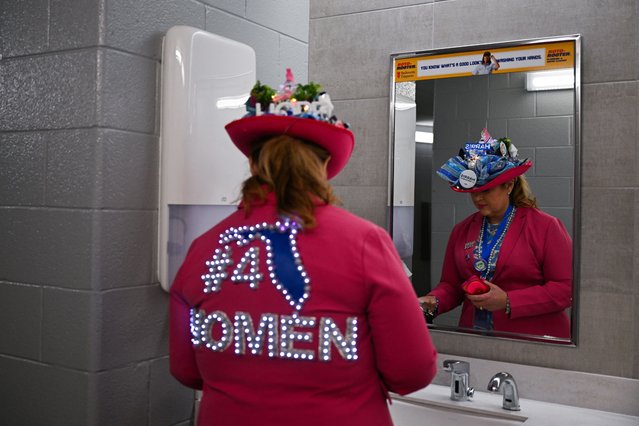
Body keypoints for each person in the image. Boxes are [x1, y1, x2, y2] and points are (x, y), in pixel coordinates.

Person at [169, 70, 438, 426]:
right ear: (325, 165)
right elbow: (412, 372)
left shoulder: (204, 248)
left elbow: (186, 371)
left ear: (251, 163)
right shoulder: (365, 244)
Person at [419, 128, 572, 338]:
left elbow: (566, 290)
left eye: (486, 190)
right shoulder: (462, 230)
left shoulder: (545, 227)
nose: (478, 198)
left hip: (533, 341)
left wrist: (508, 301)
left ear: (509, 185)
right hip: (477, 337)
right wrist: (433, 301)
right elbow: (451, 285)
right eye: (474, 191)